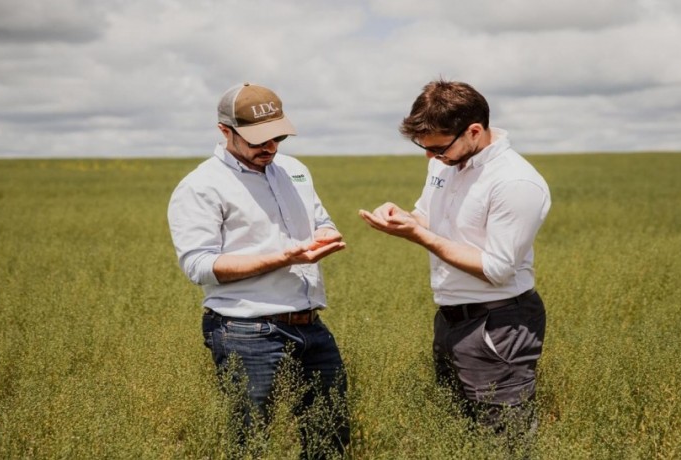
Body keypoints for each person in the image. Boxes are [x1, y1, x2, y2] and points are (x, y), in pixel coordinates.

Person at [359, 79, 551, 443]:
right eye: (424, 148)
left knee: (504, 439)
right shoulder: (444, 164)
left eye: (439, 148)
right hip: (450, 318)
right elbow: (428, 219)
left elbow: (497, 268)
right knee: (457, 431)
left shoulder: (515, 182)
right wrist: (403, 219)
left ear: (474, 131)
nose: (431, 158)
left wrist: (419, 236)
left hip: (499, 323)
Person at [167, 82, 350, 454]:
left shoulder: (295, 170)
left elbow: (321, 220)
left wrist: (325, 234)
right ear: (225, 131)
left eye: (277, 137)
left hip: (311, 326)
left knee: (329, 437)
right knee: (250, 444)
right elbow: (199, 265)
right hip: (245, 332)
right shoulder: (201, 186)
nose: (270, 147)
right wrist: (284, 257)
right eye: (257, 140)